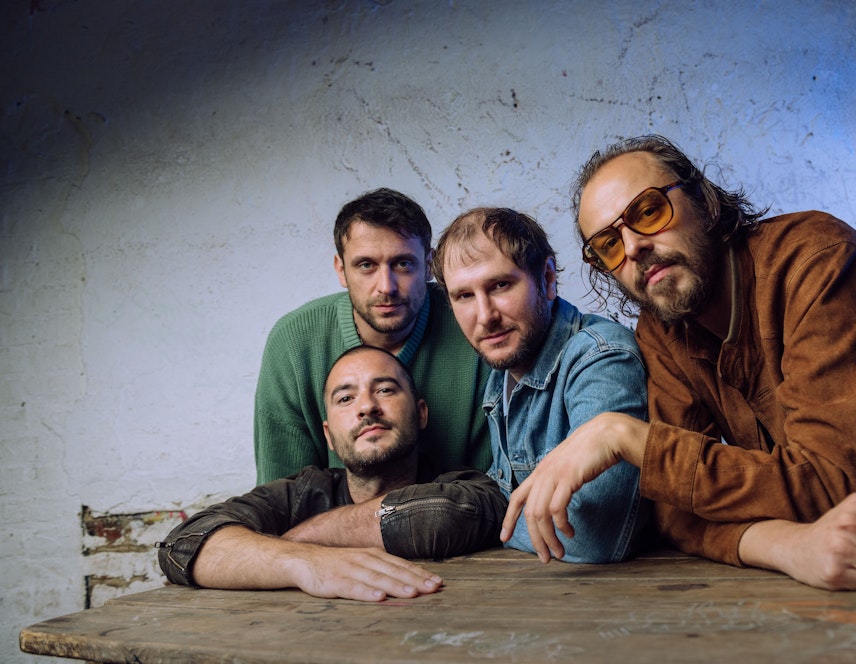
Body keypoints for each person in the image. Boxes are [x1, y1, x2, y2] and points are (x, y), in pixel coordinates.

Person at [502, 134, 856, 590]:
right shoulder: (662, 327)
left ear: (704, 199)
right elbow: (676, 512)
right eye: (608, 245)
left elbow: (837, 483)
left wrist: (626, 436)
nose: (633, 248)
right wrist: (786, 545)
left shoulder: (821, 262)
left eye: (648, 211)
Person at [158, 345, 507, 601]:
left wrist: (294, 541)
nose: (367, 406)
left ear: (421, 414)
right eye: (345, 399)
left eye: (385, 389)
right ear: (328, 436)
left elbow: (444, 513)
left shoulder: (465, 485)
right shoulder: (301, 493)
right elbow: (183, 545)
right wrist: (306, 562)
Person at [431, 207, 649, 563]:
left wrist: (486, 522)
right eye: (464, 296)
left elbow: (589, 534)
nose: (485, 316)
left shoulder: (601, 358)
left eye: (500, 285)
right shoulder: (504, 368)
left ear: (547, 278)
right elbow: (508, 489)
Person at [254, 188, 491, 483]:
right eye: (366, 265)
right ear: (341, 270)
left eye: (403, 264)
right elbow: (282, 496)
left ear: (430, 265)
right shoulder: (293, 344)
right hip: (333, 514)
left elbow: (494, 489)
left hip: (463, 511)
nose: (386, 287)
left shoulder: (474, 322)